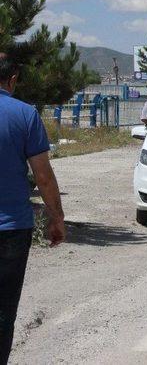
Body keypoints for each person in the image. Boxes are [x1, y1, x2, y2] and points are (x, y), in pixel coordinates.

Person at [0, 53, 65, 363]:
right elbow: (43, 176)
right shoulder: (25, 114)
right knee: (2, 315)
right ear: (12, 80)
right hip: (11, 230)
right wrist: (57, 219)